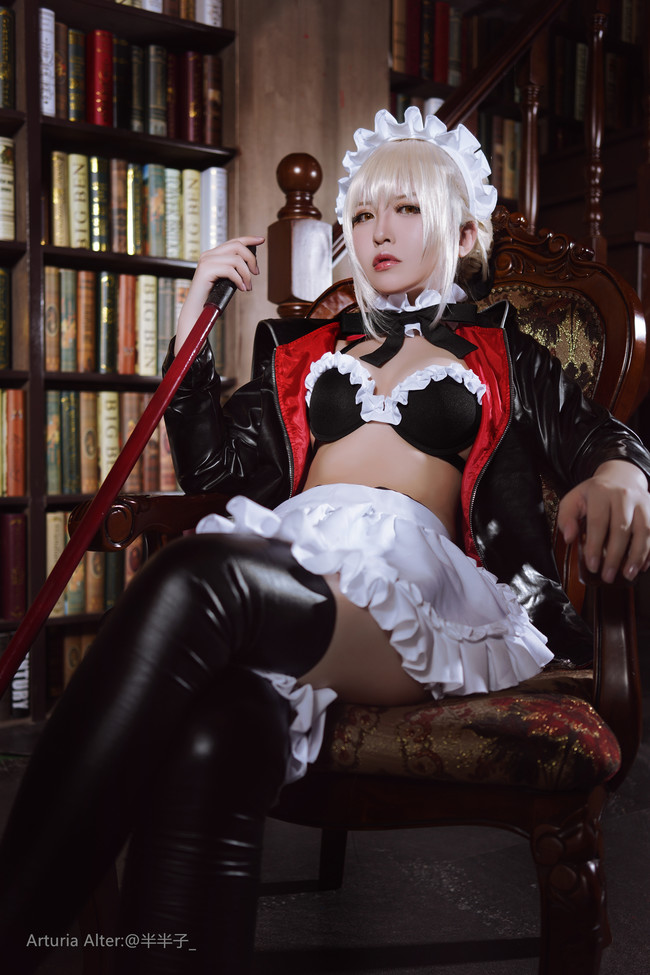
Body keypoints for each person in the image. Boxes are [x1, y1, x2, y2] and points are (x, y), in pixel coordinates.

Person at [1, 107, 650, 975]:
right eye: (366, 213)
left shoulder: (504, 352)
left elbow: (600, 436)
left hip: (409, 585)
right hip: (295, 556)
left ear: (463, 233)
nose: (379, 230)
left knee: (201, 580)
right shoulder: (303, 350)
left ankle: (11, 926)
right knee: (218, 734)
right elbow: (216, 469)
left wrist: (622, 473)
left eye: (406, 210)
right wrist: (194, 320)